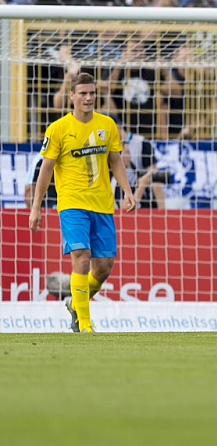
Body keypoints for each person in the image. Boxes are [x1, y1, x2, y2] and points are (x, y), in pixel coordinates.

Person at [28, 73, 136, 333]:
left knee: (104, 267)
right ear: (72, 96)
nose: (88, 98)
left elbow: (115, 160)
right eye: (83, 93)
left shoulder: (107, 125)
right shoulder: (58, 129)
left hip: (102, 204)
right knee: (81, 258)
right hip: (72, 203)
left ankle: (76, 304)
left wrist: (127, 190)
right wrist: (36, 207)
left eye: (92, 93)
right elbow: (45, 170)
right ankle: (84, 324)